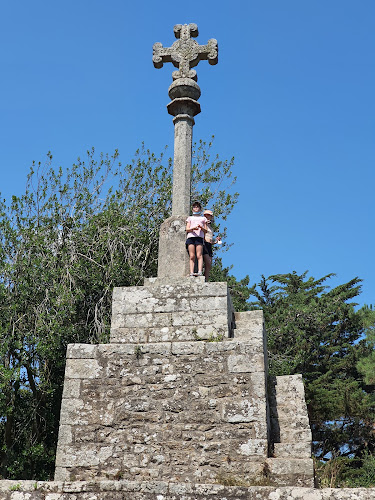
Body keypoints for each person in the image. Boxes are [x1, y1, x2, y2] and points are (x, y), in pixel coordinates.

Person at [185, 201, 207, 277]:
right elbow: (187, 229)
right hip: (191, 237)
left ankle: (200, 271)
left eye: (197, 207)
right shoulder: (190, 218)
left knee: (199, 255)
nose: (196, 208)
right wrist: (193, 228)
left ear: (200, 209)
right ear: (192, 209)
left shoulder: (203, 218)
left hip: (199, 238)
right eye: (194, 207)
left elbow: (206, 230)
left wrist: (201, 227)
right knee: (192, 256)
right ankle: (191, 272)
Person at [203, 209, 221, 281]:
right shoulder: (203, 224)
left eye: (209, 215)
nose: (208, 216)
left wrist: (216, 241)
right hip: (204, 244)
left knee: (209, 265)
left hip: (209, 245)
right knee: (207, 262)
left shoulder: (211, 228)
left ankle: (206, 280)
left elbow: (210, 239)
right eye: (207, 215)